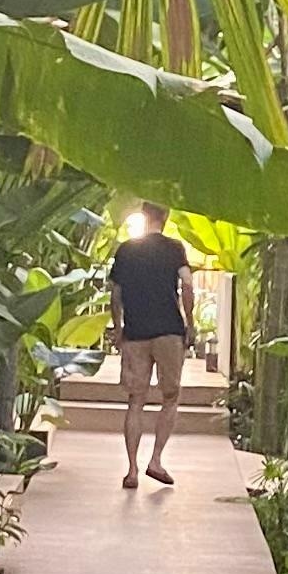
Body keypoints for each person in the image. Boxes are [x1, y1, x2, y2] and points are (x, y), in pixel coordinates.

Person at [105, 205, 193, 490]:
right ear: (165, 218)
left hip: (136, 332)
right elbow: (188, 284)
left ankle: (131, 470)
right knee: (170, 396)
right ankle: (155, 460)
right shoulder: (174, 248)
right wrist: (190, 320)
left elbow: (115, 295)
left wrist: (118, 329)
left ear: (144, 216)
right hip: (169, 330)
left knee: (135, 401)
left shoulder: (126, 250)